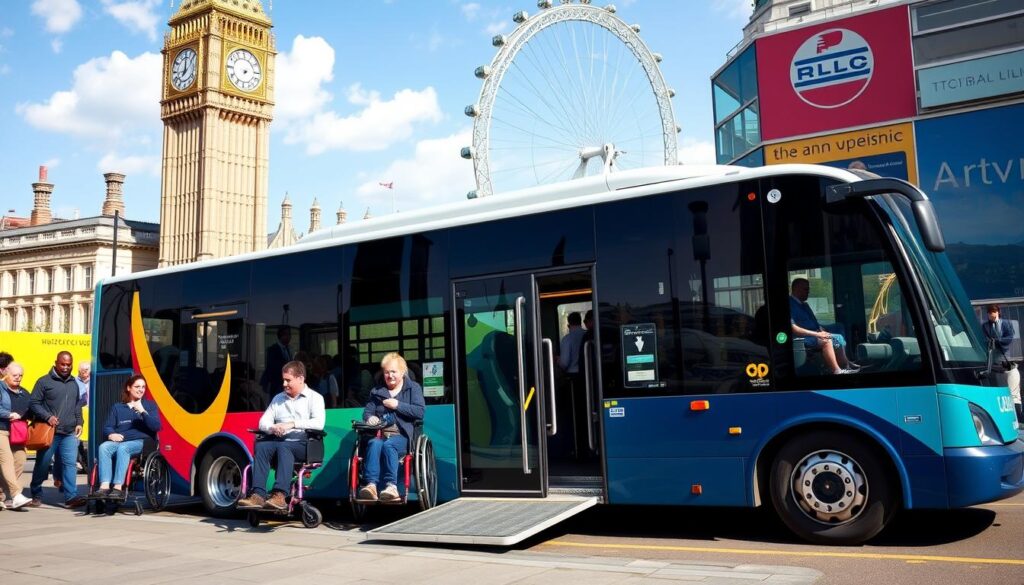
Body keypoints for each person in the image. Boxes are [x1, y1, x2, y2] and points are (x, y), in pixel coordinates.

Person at [237, 360, 325, 511]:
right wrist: (272, 427)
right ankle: (258, 495)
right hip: (280, 441)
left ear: (301, 379)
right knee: (262, 445)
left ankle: (279, 495)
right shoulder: (278, 399)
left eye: (288, 380)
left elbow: (318, 424)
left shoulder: (314, 398)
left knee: (285, 446)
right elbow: (262, 422)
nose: (284, 384)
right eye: (283, 380)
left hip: (305, 444)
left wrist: (291, 424)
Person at [357, 352, 425, 502]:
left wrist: (397, 405)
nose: (390, 375)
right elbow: (367, 412)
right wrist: (370, 417)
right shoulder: (377, 391)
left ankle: (391, 487)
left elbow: (420, 411)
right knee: (374, 443)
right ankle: (371, 485)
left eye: (393, 372)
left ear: (402, 372)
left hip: (402, 436)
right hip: (381, 434)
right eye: (387, 372)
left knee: (389, 445)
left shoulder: (413, 388)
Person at [29, 351, 86, 508]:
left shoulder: (74, 383)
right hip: (50, 432)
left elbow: (77, 405)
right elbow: (34, 403)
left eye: (69, 365)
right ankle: (36, 493)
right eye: (63, 364)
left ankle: (71, 497)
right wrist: (48, 417)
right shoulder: (44, 382)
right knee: (43, 463)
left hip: (68, 433)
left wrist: (79, 422)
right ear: (56, 363)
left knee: (70, 464)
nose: (66, 367)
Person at [89, 375, 161, 499]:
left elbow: (155, 427)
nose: (141, 390)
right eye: (137, 386)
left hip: (142, 442)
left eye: (143, 387)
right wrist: (111, 434)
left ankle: (118, 487)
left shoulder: (149, 405)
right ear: (129, 388)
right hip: (121, 440)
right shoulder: (118, 407)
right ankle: (104, 486)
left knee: (124, 448)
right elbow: (107, 426)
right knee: (104, 447)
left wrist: (143, 412)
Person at [789, 278, 859, 375]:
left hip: (813, 334)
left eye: (808, 289)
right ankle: (837, 370)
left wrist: (821, 330)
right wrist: (817, 334)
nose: (808, 292)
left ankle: (846, 364)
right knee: (826, 341)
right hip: (802, 338)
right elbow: (794, 329)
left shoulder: (805, 305)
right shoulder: (790, 305)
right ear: (796, 289)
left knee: (838, 336)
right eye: (805, 289)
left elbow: (814, 322)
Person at [0, 362, 33, 509]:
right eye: (15, 375)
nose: (18, 378)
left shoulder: (24, 393)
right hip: (1, 429)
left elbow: (32, 410)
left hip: (17, 432)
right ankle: (15, 495)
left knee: (19, 459)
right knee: (6, 460)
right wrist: (8, 414)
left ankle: (3, 495)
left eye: (21, 375)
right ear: (6, 373)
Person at [260, 326, 292, 394]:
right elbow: (272, 367)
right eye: (286, 334)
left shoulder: (288, 349)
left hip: (285, 383)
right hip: (276, 384)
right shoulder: (273, 349)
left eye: (289, 334)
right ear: (281, 336)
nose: (289, 337)